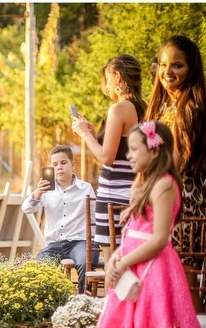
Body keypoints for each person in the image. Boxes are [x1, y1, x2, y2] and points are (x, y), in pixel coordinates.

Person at [98, 121, 202, 328]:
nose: (129, 155)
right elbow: (134, 230)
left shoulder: (164, 185)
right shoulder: (148, 183)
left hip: (154, 269)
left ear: (154, 150)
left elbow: (159, 239)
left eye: (135, 149)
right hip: (135, 261)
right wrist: (117, 256)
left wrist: (124, 262)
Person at [145, 35, 206, 272]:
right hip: (169, 194)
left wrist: (145, 194)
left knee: (182, 276)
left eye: (177, 65)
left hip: (181, 201)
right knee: (173, 275)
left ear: (191, 68)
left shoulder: (187, 108)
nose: (168, 71)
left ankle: (192, 313)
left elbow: (173, 161)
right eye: (163, 64)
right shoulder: (169, 106)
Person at [72, 55, 146, 262]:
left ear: (119, 77)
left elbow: (107, 158)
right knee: (133, 265)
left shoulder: (120, 109)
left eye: (108, 78)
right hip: (134, 193)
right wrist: (95, 135)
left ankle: (114, 297)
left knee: (113, 267)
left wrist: (85, 135)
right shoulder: (143, 108)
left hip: (113, 195)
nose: (106, 85)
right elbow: (123, 152)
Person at [21, 145, 96, 294]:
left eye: (63, 163)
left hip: (80, 242)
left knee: (84, 262)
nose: (59, 168)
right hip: (56, 245)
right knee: (38, 266)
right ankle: (47, 305)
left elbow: (95, 217)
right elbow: (26, 209)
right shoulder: (46, 190)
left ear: (72, 165)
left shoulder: (85, 188)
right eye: (54, 165)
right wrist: (37, 193)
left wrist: (93, 242)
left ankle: (82, 303)